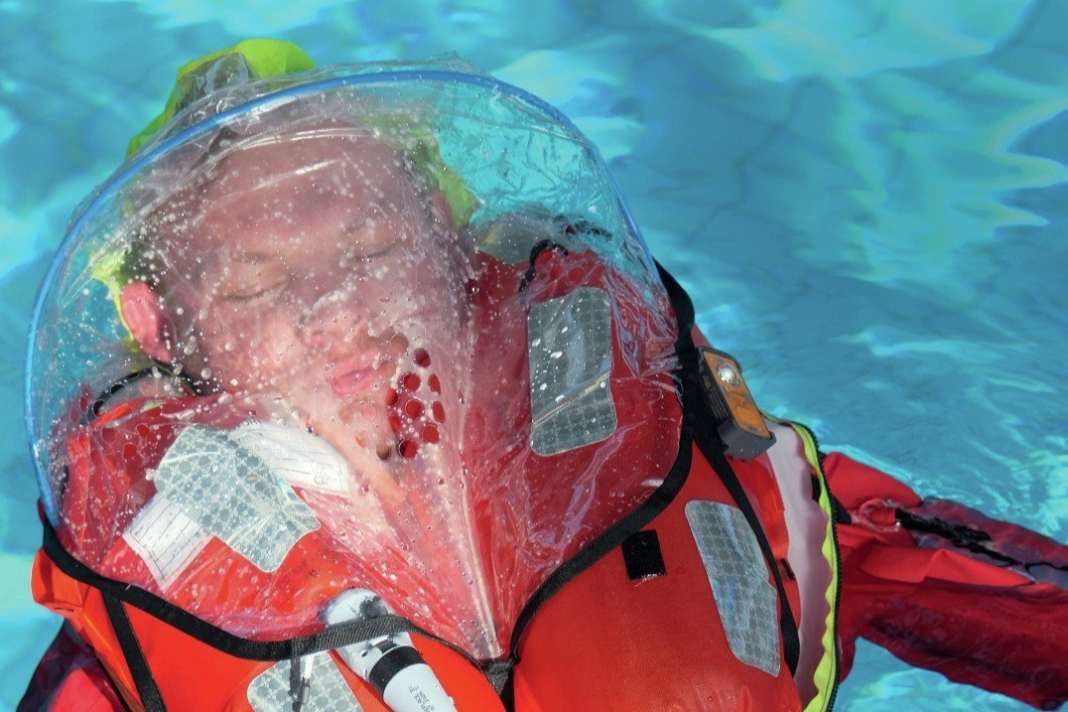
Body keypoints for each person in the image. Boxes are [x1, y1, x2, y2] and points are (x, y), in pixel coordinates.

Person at [19, 40, 1068, 712]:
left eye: (374, 248)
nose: (334, 310)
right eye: (256, 287)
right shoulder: (140, 633)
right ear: (162, 331)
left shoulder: (665, 454)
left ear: (451, 244)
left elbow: (975, 589)